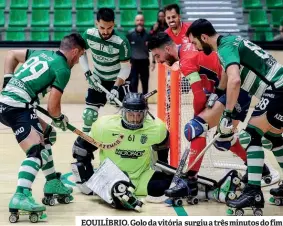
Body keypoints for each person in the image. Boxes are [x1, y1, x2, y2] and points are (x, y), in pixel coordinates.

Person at [147, 32, 272, 205]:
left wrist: (199, 118)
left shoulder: (186, 59)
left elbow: (198, 97)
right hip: (235, 91)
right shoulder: (188, 49)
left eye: (157, 55)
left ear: (167, 48)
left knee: (195, 128)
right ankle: (258, 168)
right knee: (223, 139)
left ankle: (190, 181)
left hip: (235, 91)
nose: (159, 60)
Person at [187, 18, 283, 215]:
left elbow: (235, 79)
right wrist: (216, 93)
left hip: (277, 90)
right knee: (273, 138)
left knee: (250, 135)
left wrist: (227, 115)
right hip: (278, 88)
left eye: (196, 42)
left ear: (204, 37)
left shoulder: (224, 48)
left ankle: (253, 192)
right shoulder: (229, 41)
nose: (196, 48)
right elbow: (227, 74)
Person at [0, 33, 86, 222]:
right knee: (36, 151)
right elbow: (52, 108)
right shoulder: (63, 68)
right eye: (80, 56)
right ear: (74, 51)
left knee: (48, 134)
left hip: (7, 103)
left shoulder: (40, 53)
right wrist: (60, 118)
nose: (78, 61)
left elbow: (12, 54)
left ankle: (52, 183)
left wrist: (8, 81)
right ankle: (21, 195)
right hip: (17, 107)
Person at [71, 92, 172, 209]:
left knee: (170, 184)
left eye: (139, 115)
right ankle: (116, 192)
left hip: (140, 178)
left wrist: (164, 170)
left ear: (145, 114)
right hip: (111, 177)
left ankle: (121, 194)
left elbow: (162, 150)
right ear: (123, 113)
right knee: (118, 188)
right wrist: (87, 179)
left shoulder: (156, 129)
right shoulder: (105, 127)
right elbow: (80, 148)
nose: (134, 120)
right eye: (131, 115)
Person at [79, 8, 131, 133]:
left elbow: (126, 68)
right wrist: (88, 73)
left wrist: (115, 87)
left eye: (110, 28)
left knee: (129, 117)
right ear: (96, 23)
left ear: (114, 23)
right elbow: (81, 53)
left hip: (117, 81)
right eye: (102, 28)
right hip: (97, 80)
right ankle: (85, 144)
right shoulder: (88, 35)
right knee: (88, 115)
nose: (106, 32)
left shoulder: (121, 42)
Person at [127, 14, 151, 94]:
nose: (139, 22)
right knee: (133, 83)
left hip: (144, 62)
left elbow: (153, 49)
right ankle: (135, 103)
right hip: (134, 63)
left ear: (143, 21)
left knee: (145, 83)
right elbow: (127, 48)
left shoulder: (148, 34)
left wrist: (154, 61)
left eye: (141, 20)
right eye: (138, 20)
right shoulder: (130, 34)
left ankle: (145, 102)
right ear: (135, 22)